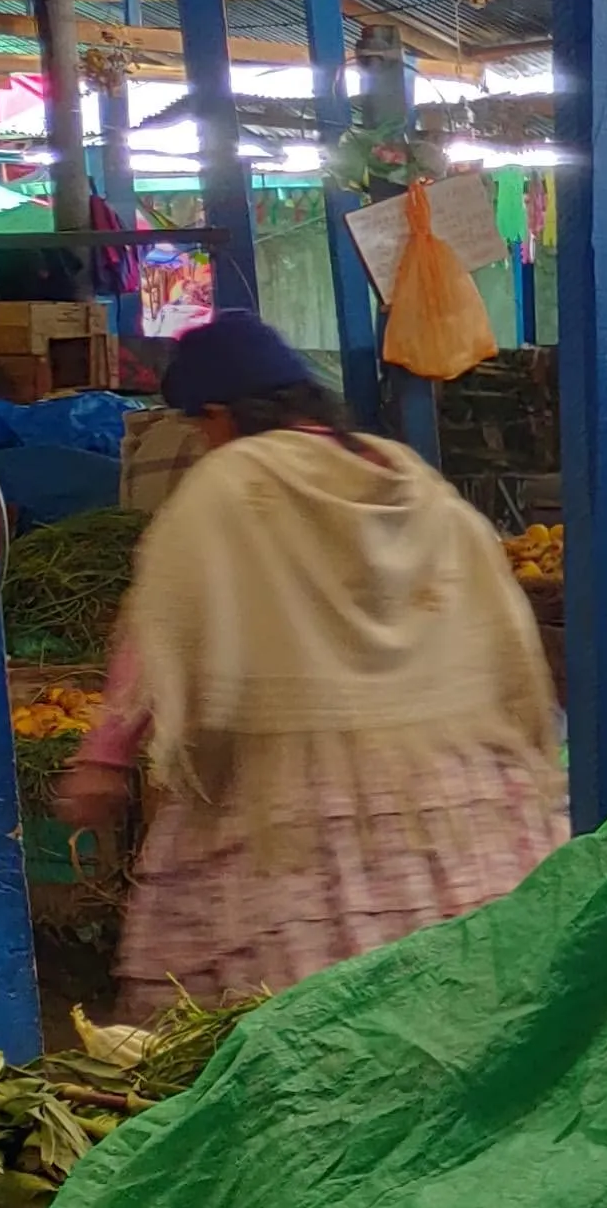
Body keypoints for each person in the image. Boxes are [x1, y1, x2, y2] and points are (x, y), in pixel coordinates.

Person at [51, 312, 567, 1006]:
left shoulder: (233, 483)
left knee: (305, 1008)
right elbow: (491, 615)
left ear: (220, 414)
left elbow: (163, 624)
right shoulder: (402, 474)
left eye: (201, 426)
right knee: (465, 991)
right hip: (450, 787)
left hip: (294, 794)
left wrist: (105, 757)